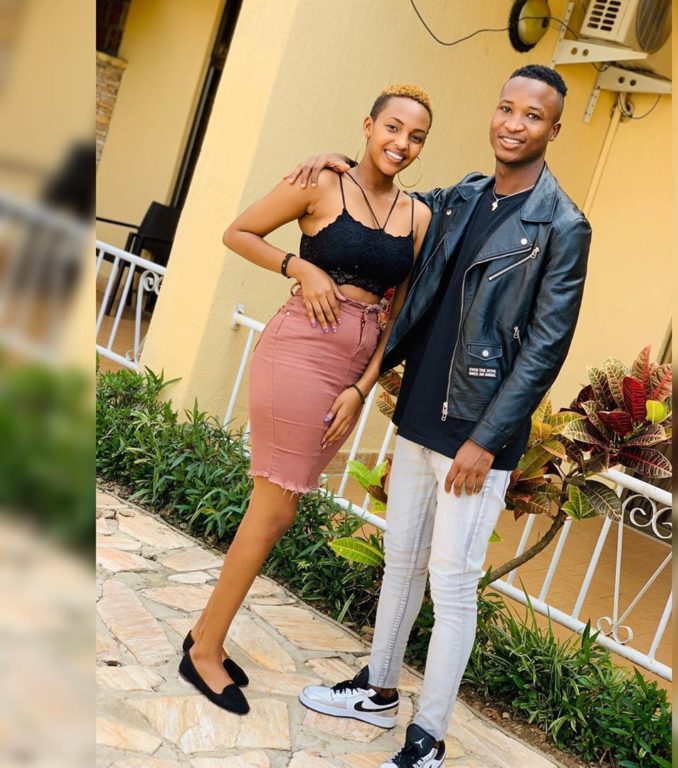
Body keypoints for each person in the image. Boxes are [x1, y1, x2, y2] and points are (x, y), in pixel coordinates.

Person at [293, 65, 591, 768]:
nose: (514, 124)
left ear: (554, 129)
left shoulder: (562, 225)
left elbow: (546, 348)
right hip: (423, 411)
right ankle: (378, 688)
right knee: (401, 559)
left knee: (452, 583)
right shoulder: (462, 197)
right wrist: (345, 163)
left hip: (477, 436)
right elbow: (389, 202)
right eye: (506, 108)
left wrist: (487, 441)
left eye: (532, 115)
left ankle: (427, 738)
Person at [179, 85, 433, 715]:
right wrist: (300, 266)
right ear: (368, 124)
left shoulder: (419, 217)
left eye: (416, 136)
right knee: (273, 509)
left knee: (279, 508)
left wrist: (362, 388)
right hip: (299, 350)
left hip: (350, 370)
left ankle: (204, 631)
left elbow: (399, 313)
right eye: (392, 127)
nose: (401, 143)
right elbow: (238, 232)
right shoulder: (321, 182)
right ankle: (204, 650)